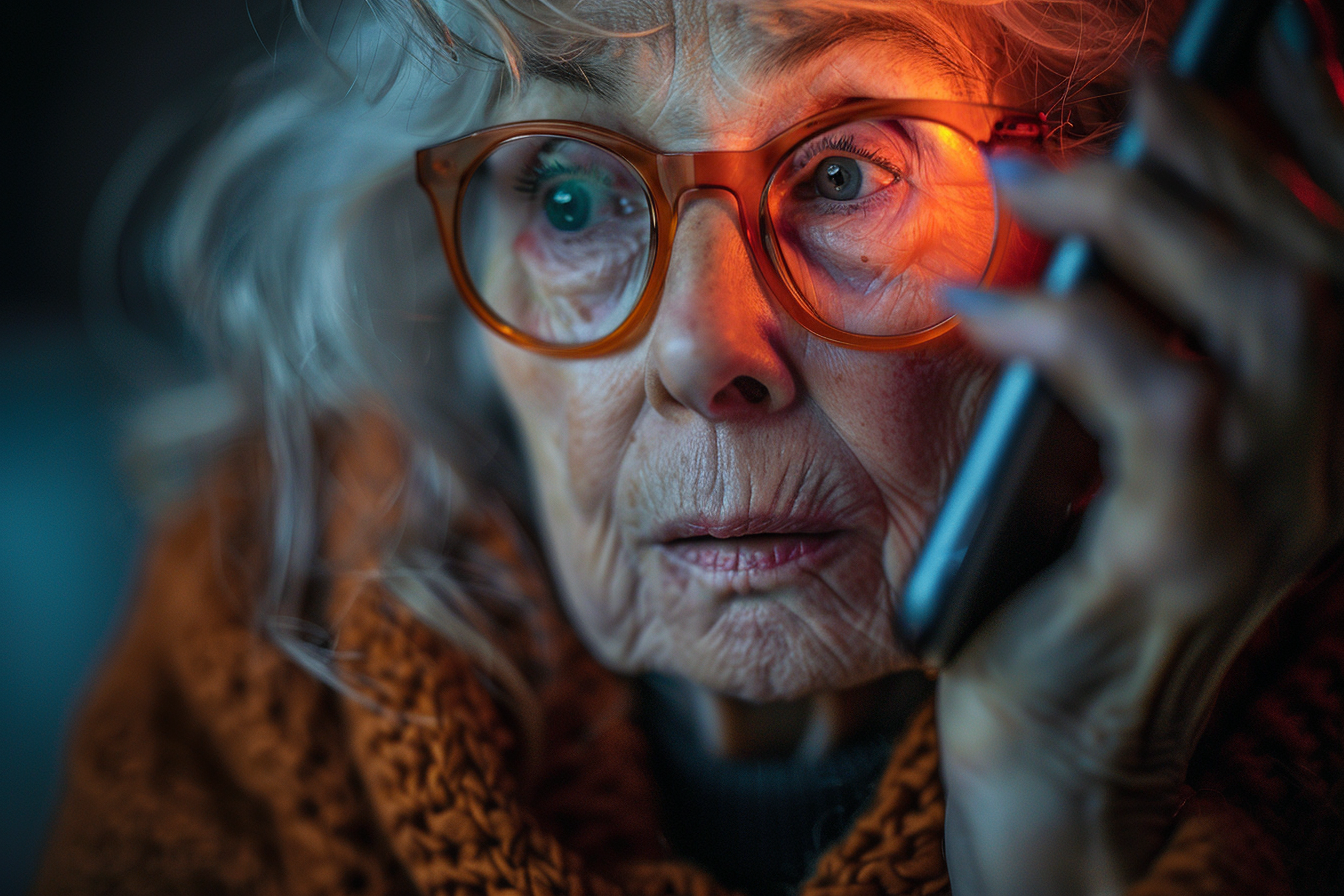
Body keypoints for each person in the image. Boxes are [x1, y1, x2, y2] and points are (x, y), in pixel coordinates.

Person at [36, 0, 1344, 893]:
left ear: (1124, 240)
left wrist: (1067, 812)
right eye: (570, 194)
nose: (700, 353)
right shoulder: (244, 665)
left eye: (848, 173)